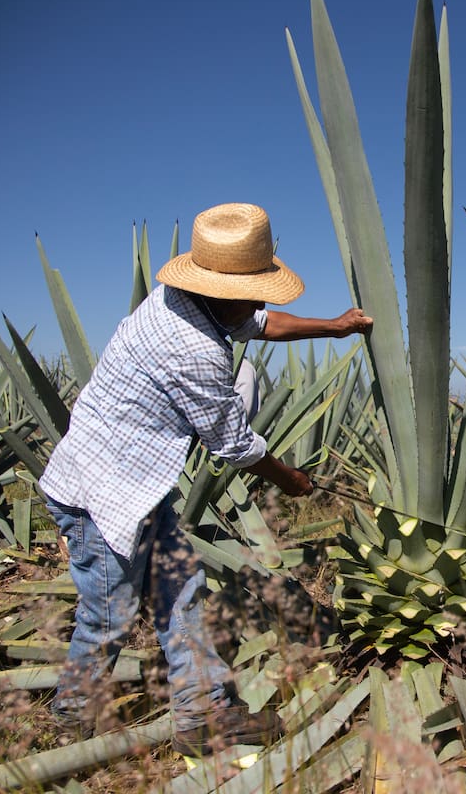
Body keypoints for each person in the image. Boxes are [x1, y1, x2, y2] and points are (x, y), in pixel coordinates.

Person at [38, 202, 372, 756]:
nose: (262, 298)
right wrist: (290, 479)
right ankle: (68, 730)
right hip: (98, 496)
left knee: (183, 592)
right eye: (255, 286)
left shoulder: (191, 299)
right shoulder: (190, 346)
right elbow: (232, 443)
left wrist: (333, 327)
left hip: (140, 488)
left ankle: (202, 715)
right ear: (220, 287)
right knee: (107, 619)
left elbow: (259, 322)